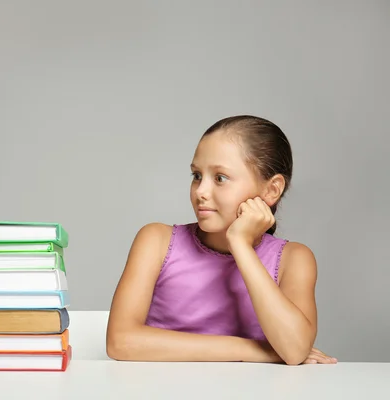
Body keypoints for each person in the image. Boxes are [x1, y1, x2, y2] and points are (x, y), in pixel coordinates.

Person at [106, 115, 337, 365]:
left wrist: (240, 245)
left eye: (220, 178)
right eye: (196, 175)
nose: (201, 192)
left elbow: (293, 351)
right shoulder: (156, 241)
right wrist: (257, 351)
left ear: (271, 190)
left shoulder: (294, 259)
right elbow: (120, 342)